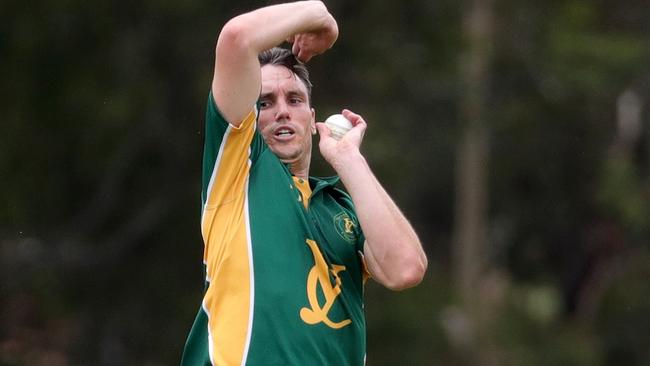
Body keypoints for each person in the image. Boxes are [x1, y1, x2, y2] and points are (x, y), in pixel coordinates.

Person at [181, 1, 427, 365]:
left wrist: (348, 160)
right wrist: (319, 13)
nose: (282, 110)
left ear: (312, 118)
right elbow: (236, 38)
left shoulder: (342, 207)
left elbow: (405, 268)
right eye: (264, 103)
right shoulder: (238, 173)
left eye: (294, 99)